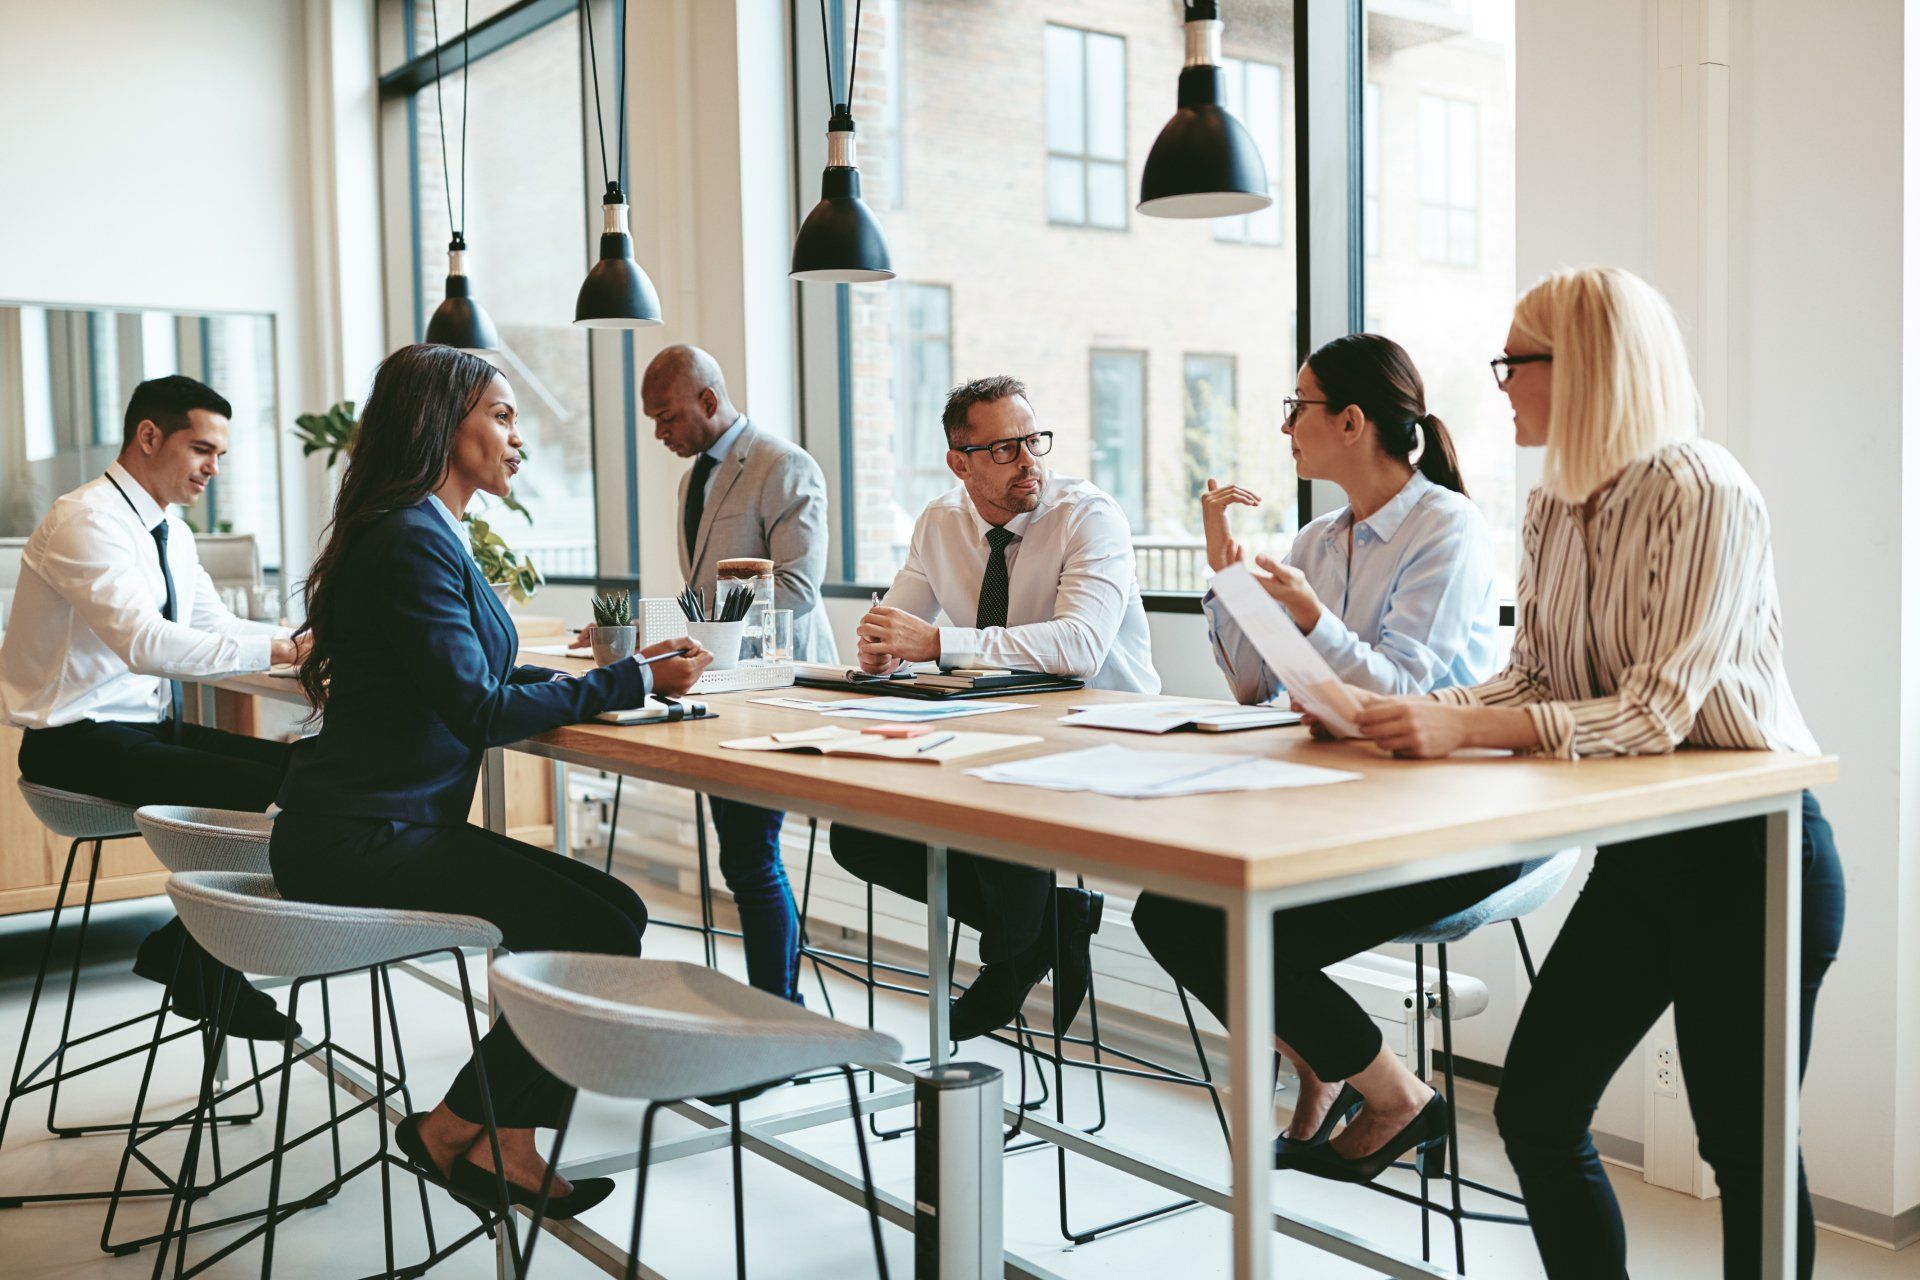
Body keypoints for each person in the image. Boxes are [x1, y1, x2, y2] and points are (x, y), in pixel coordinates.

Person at [1342, 267, 1844, 1278]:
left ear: (1587, 371)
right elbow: (1529, 676)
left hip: (1753, 854)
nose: (1500, 386)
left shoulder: (1703, 491)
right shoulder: (1553, 508)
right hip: (1645, 856)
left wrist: (1462, 734)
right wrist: (1406, 714)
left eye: (1513, 363)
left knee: (1742, 1149)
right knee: (1536, 1109)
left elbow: (1656, 711)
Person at [270, 344, 712, 1220]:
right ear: (441, 424)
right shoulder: (409, 538)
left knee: (613, 914)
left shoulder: (423, 530)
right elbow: (474, 707)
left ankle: (508, 1139)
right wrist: (635, 683)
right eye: (503, 417)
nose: (519, 440)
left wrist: (631, 670)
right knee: (597, 924)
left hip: (382, 822)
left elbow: (474, 682)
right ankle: (456, 1127)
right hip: (360, 837)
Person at [1130, 333, 1506, 1177]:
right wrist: (1225, 573)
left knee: (1236, 928)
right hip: (1341, 790)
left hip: (1445, 809)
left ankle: (1396, 1096)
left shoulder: (1448, 529)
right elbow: (1252, 690)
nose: (1285, 426)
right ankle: (1337, 1075)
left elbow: (1407, 689)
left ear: (1351, 421)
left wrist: (1312, 622)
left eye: (1296, 408)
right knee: (1171, 911)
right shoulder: (1314, 540)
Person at [831, 375, 1157, 1041]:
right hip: (997, 723)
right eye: (1005, 449)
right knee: (856, 830)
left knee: (993, 794)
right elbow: (898, 622)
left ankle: (1013, 952)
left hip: (1106, 731)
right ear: (961, 462)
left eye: (1034, 440)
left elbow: (1081, 646)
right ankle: (1042, 928)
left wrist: (936, 643)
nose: (1030, 461)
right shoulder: (939, 523)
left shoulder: (1088, 516)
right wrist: (881, 650)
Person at [0, 375, 305, 1040]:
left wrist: (296, 648)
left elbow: (209, 623)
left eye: (220, 456)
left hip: (140, 732)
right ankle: (195, 950)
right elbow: (144, 643)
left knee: (312, 773)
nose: (212, 470)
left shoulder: (172, 530)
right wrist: (280, 648)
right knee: (285, 792)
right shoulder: (85, 521)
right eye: (202, 449)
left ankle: (190, 949)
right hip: (74, 743)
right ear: (147, 437)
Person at [643, 343, 832, 1001]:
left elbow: (800, 588)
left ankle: (779, 1013)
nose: (660, 433)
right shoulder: (695, 475)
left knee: (750, 860)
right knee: (743, 858)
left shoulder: (783, 466)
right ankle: (774, 1008)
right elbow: (700, 585)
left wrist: (700, 628)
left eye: (666, 418)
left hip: (774, 691)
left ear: (708, 401)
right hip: (720, 691)